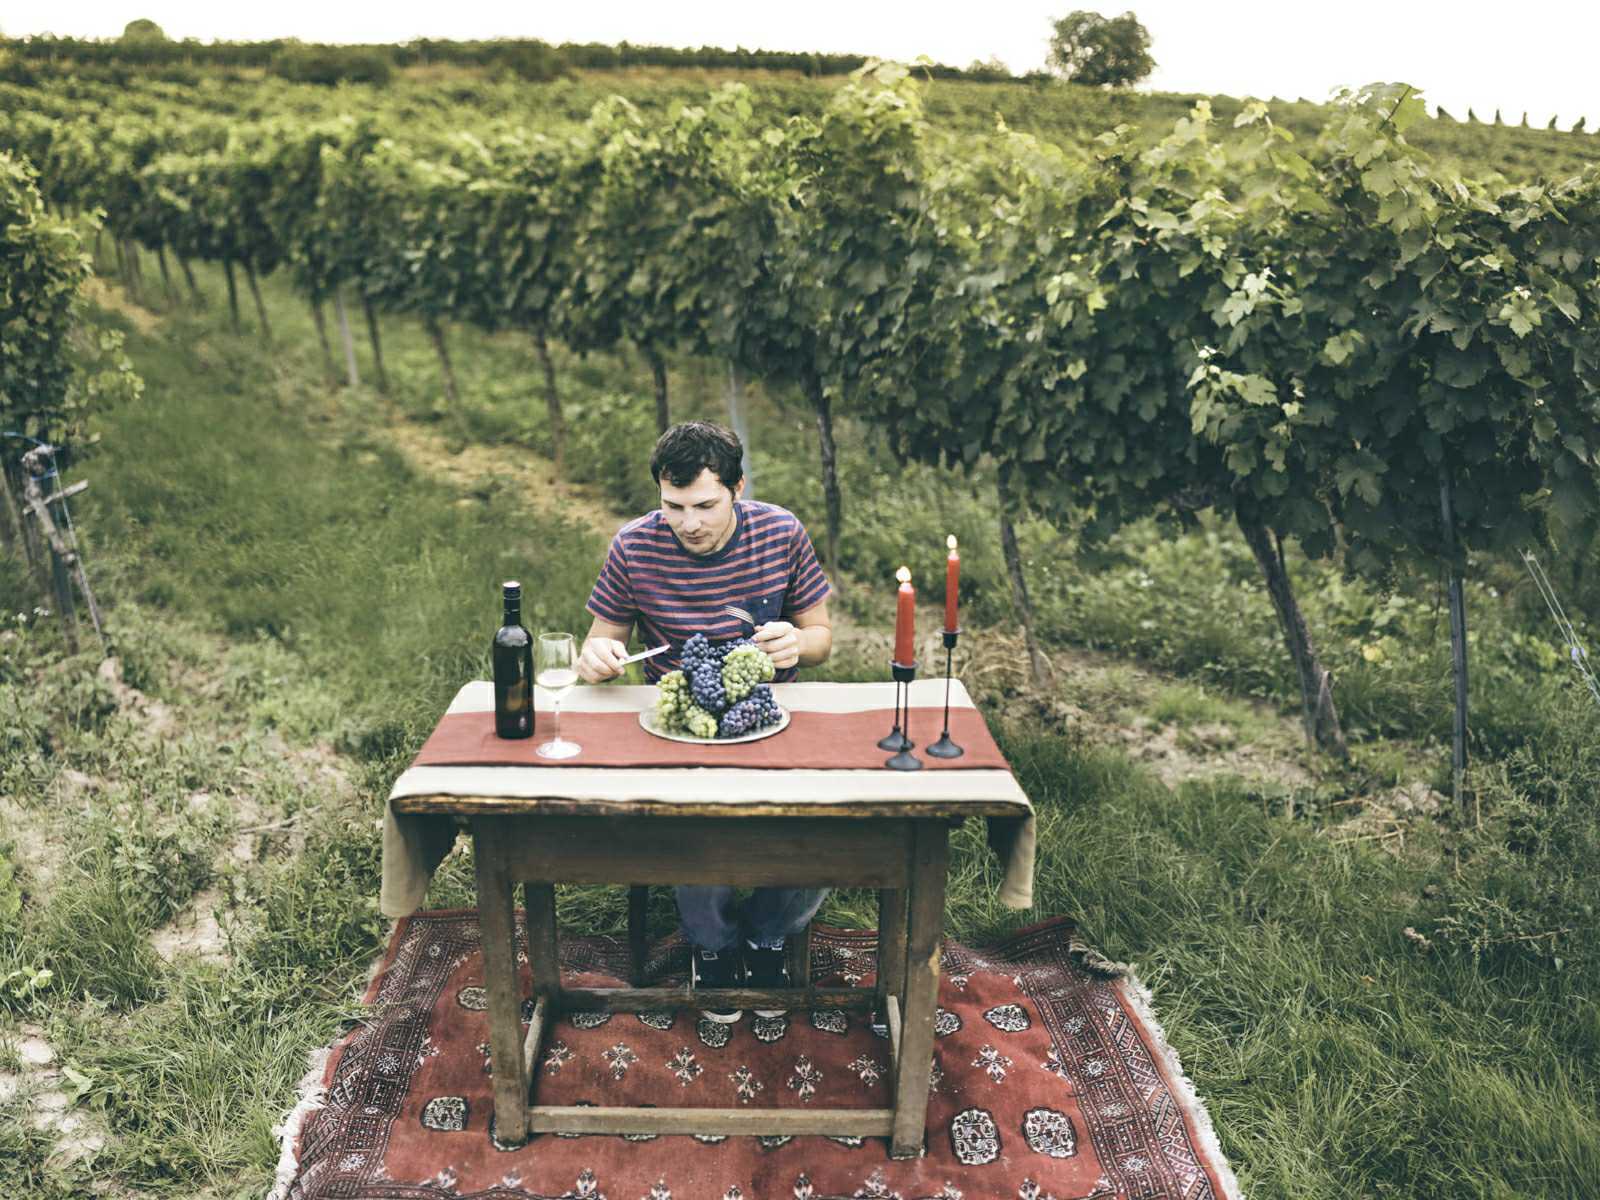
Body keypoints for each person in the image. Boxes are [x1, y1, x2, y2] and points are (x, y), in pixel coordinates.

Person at [577, 420, 833, 1022]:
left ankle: (770, 932)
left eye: (704, 505)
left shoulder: (782, 532)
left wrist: (798, 642)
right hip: (677, 723)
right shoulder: (634, 545)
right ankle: (712, 946)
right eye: (673, 506)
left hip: (769, 716)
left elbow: (820, 637)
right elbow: (597, 645)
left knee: (827, 823)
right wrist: (597, 659)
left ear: (738, 487)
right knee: (693, 820)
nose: (688, 522)